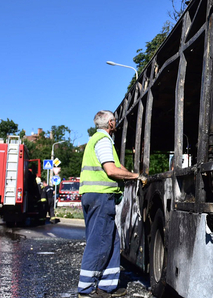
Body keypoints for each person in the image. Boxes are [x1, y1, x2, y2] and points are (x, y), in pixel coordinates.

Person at [77, 110, 145, 298]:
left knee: (111, 240)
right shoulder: (104, 141)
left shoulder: (96, 140)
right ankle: (86, 289)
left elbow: (117, 166)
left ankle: (107, 286)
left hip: (94, 196)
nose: (116, 123)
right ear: (111, 123)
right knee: (99, 242)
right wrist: (135, 176)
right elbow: (111, 170)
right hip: (101, 197)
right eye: (115, 120)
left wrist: (130, 172)